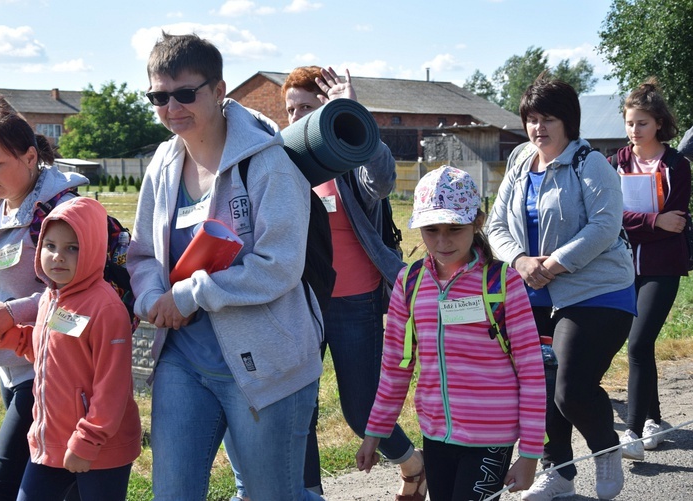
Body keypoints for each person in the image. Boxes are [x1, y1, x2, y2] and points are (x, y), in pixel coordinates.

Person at [127, 32, 324, 501]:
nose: (171, 106)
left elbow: (279, 266)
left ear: (219, 91)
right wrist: (154, 297)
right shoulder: (161, 162)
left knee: (270, 495)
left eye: (184, 93)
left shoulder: (269, 163)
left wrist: (191, 294)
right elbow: (143, 254)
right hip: (184, 359)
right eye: (158, 96)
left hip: (267, 364)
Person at [226, 65, 425, 501]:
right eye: (291, 109)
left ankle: (414, 464)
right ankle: (310, 494)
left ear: (326, 112)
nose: (297, 118)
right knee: (302, 412)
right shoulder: (278, 162)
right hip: (299, 304)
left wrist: (352, 114)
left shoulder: (349, 158)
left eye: (308, 108)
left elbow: (383, 180)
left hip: (357, 304)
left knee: (360, 411)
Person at [356, 166, 546, 500]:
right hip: (437, 436)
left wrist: (530, 452)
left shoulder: (503, 283)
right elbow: (395, 367)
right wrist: (376, 432)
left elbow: (531, 370)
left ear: (478, 222)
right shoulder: (409, 283)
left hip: (492, 437)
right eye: (431, 230)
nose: (442, 241)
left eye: (454, 229)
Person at [486, 76, 636, 501]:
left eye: (547, 119)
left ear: (568, 121)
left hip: (597, 290)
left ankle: (606, 447)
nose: (538, 128)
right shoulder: (519, 159)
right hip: (531, 291)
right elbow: (496, 224)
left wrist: (552, 264)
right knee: (538, 387)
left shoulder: (590, 163)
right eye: (531, 119)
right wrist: (519, 260)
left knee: (570, 389)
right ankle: (559, 473)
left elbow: (605, 225)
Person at [0, 96, 88, 500]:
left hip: (52, 368)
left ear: (29, 157)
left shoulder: (64, 210)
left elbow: (80, 294)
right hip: (13, 366)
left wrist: (12, 312)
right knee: (64, 489)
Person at [0, 197, 141, 500]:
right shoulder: (50, 296)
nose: (58, 256)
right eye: (50, 246)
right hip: (53, 440)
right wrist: (18, 339)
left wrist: (87, 441)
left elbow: (113, 387)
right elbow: (58, 354)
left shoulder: (107, 308)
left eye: (73, 248)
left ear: (95, 249)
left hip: (100, 451)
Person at [613, 79, 691, 461]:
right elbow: (611, 216)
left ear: (658, 123)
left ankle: (632, 427)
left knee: (639, 343)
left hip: (664, 268)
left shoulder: (678, 165)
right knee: (640, 347)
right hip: (622, 269)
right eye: (629, 123)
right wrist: (653, 222)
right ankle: (653, 420)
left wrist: (649, 223)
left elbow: (676, 222)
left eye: (641, 123)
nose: (634, 130)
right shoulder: (616, 162)